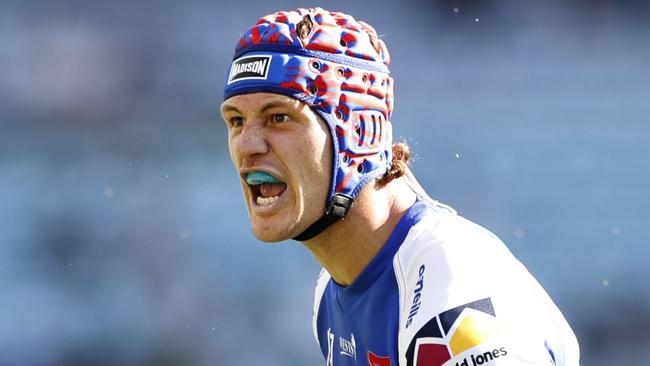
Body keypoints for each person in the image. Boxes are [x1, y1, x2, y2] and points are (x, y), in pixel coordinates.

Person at [220, 7, 580, 366]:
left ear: (361, 132)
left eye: (279, 117)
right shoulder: (330, 292)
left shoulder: (451, 288)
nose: (247, 145)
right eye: (236, 120)